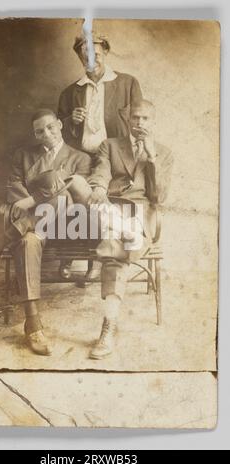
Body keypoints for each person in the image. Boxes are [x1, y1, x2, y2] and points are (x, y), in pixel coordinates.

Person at [87, 99, 174, 359]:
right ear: (128, 120)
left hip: (141, 212)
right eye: (136, 118)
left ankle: (109, 325)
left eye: (146, 119)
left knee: (116, 247)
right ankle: (109, 325)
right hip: (109, 208)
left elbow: (159, 197)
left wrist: (152, 158)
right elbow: (100, 172)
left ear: (153, 122)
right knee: (119, 241)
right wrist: (100, 187)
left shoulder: (163, 153)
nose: (140, 123)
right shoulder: (110, 145)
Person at [4, 108, 91, 355]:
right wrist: (39, 197)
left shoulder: (79, 158)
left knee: (63, 196)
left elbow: (73, 197)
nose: (46, 134)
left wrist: (35, 198)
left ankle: (0, 240)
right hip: (36, 227)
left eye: (51, 127)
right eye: (39, 131)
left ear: (60, 126)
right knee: (27, 241)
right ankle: (33, 324)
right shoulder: (23, 155)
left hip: (68, 225)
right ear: (34, 134)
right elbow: (13, 189)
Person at [58, 34, 142, 158]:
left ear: (105, 52)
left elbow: (141, 122)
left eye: (96, 55)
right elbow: (57, 131)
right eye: (85, 57)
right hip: (82, 158)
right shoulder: (69, 93)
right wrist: (71, 120)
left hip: (119, 159)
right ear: (80, 58)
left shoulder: (128, 84)